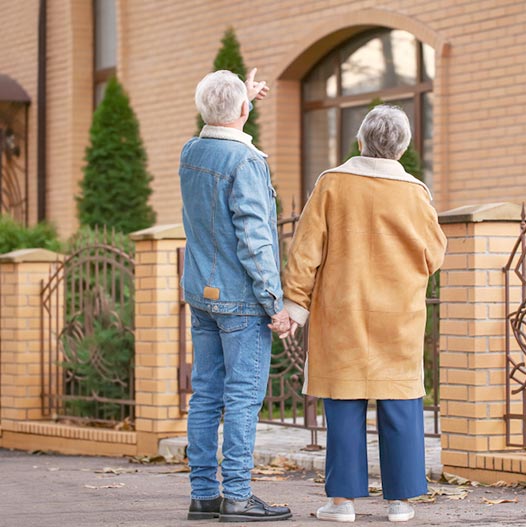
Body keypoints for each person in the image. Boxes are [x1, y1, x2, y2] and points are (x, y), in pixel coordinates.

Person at [281, 105, 447, 523]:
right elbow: (434, 254)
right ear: (404, 146)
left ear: (360, 140)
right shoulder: (415, 192)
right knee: (402, 404)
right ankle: (401, 503)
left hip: (343, 310)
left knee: (342, 402)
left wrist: (294, 305)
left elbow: (305, 252)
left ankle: (342, 503)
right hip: (399, 315)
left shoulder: (331, 184)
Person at [179, 69, 292, 522]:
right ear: (243, 111)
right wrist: (275, 302)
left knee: (205, 395)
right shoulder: (247, 163)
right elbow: (254, 238)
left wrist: (241, 98)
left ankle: (204, 495)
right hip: (242, 300)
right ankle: (239, 497)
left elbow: (220, 126)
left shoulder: (191, 152)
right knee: (242, 398)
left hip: (202, 296)